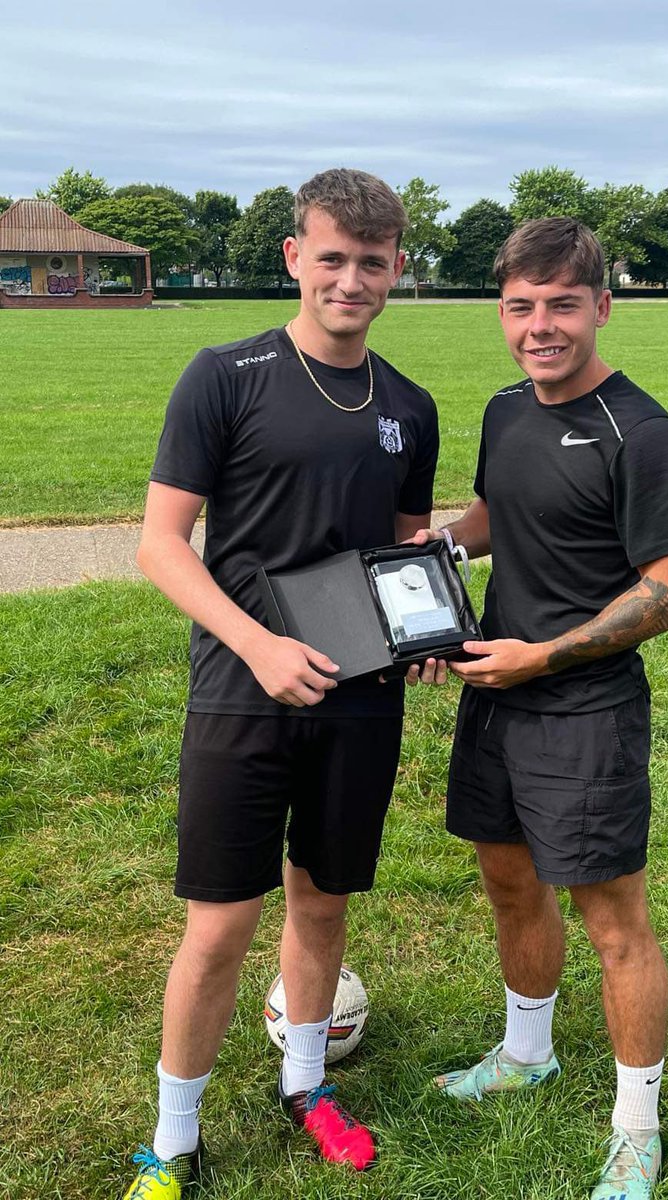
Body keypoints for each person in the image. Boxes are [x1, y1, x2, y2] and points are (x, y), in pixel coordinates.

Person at [126, 169, 438, 1198]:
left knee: (324, 903)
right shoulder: (225, 374)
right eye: (333, 258)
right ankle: (173, 1138)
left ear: (398, 269)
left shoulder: (409, 405)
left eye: (374, 262)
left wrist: (427, 623)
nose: (352, 280)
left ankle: (305, 1085)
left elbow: (402, 551)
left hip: (359, 699)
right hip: (241, 689)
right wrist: (257, 644)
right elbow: (164, 546)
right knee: (220, 922)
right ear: (296, 258)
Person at [409, 217, 668, 1199]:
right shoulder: (504, 410)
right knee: (509, 885)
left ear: (602, 308)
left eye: (562, 305)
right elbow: (498, 513)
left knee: (615, 923)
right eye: (521, 306)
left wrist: (546, 656)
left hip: (584, 709)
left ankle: (636, 1125)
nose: (541, 326)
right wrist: (431, 560)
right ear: (501, 311)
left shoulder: (643, 432)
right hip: (498, 694)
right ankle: (527, 1053)